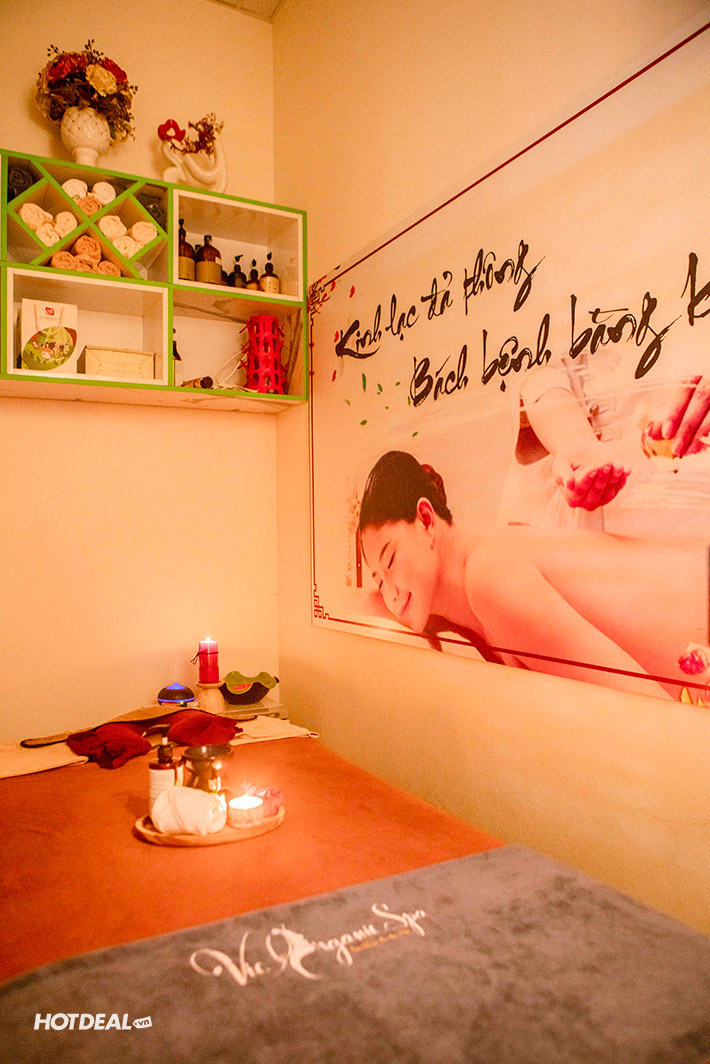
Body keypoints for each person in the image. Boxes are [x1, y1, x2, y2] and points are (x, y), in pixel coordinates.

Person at [358, 451, 709, 700]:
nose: (391, 593)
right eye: (379, 580)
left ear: (425, 519)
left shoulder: (490, 575)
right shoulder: (476, 580)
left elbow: (653, 720)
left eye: (391, 560)